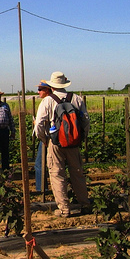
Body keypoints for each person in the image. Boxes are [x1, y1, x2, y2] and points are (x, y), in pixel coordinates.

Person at [34, 71, 91, 217]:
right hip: (74, 143)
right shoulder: (77, 99)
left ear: (52, 86)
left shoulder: (48, 101)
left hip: (55, 143)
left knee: (57, 174)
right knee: (77, 173)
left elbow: (39, 124)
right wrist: (81, 137)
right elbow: (85, 121)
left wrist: (44, 140)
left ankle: (64, 209)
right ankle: (85, 204)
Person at [0, 88, 16, 170]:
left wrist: (13, 131)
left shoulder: (5, 105)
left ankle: (5, 169)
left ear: (0, 96)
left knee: (5, 151)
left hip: (4, 130)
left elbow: (10, 119)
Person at [34, 81, 52, 192]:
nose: (38, 91)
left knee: (39, 164)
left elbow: (40, 123)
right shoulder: (59, 100)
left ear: (47, 90)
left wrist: (42, 138)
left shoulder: (46, 102)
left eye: (40, 89)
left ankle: (41, 189)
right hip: (59, 137)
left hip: (46, 137)